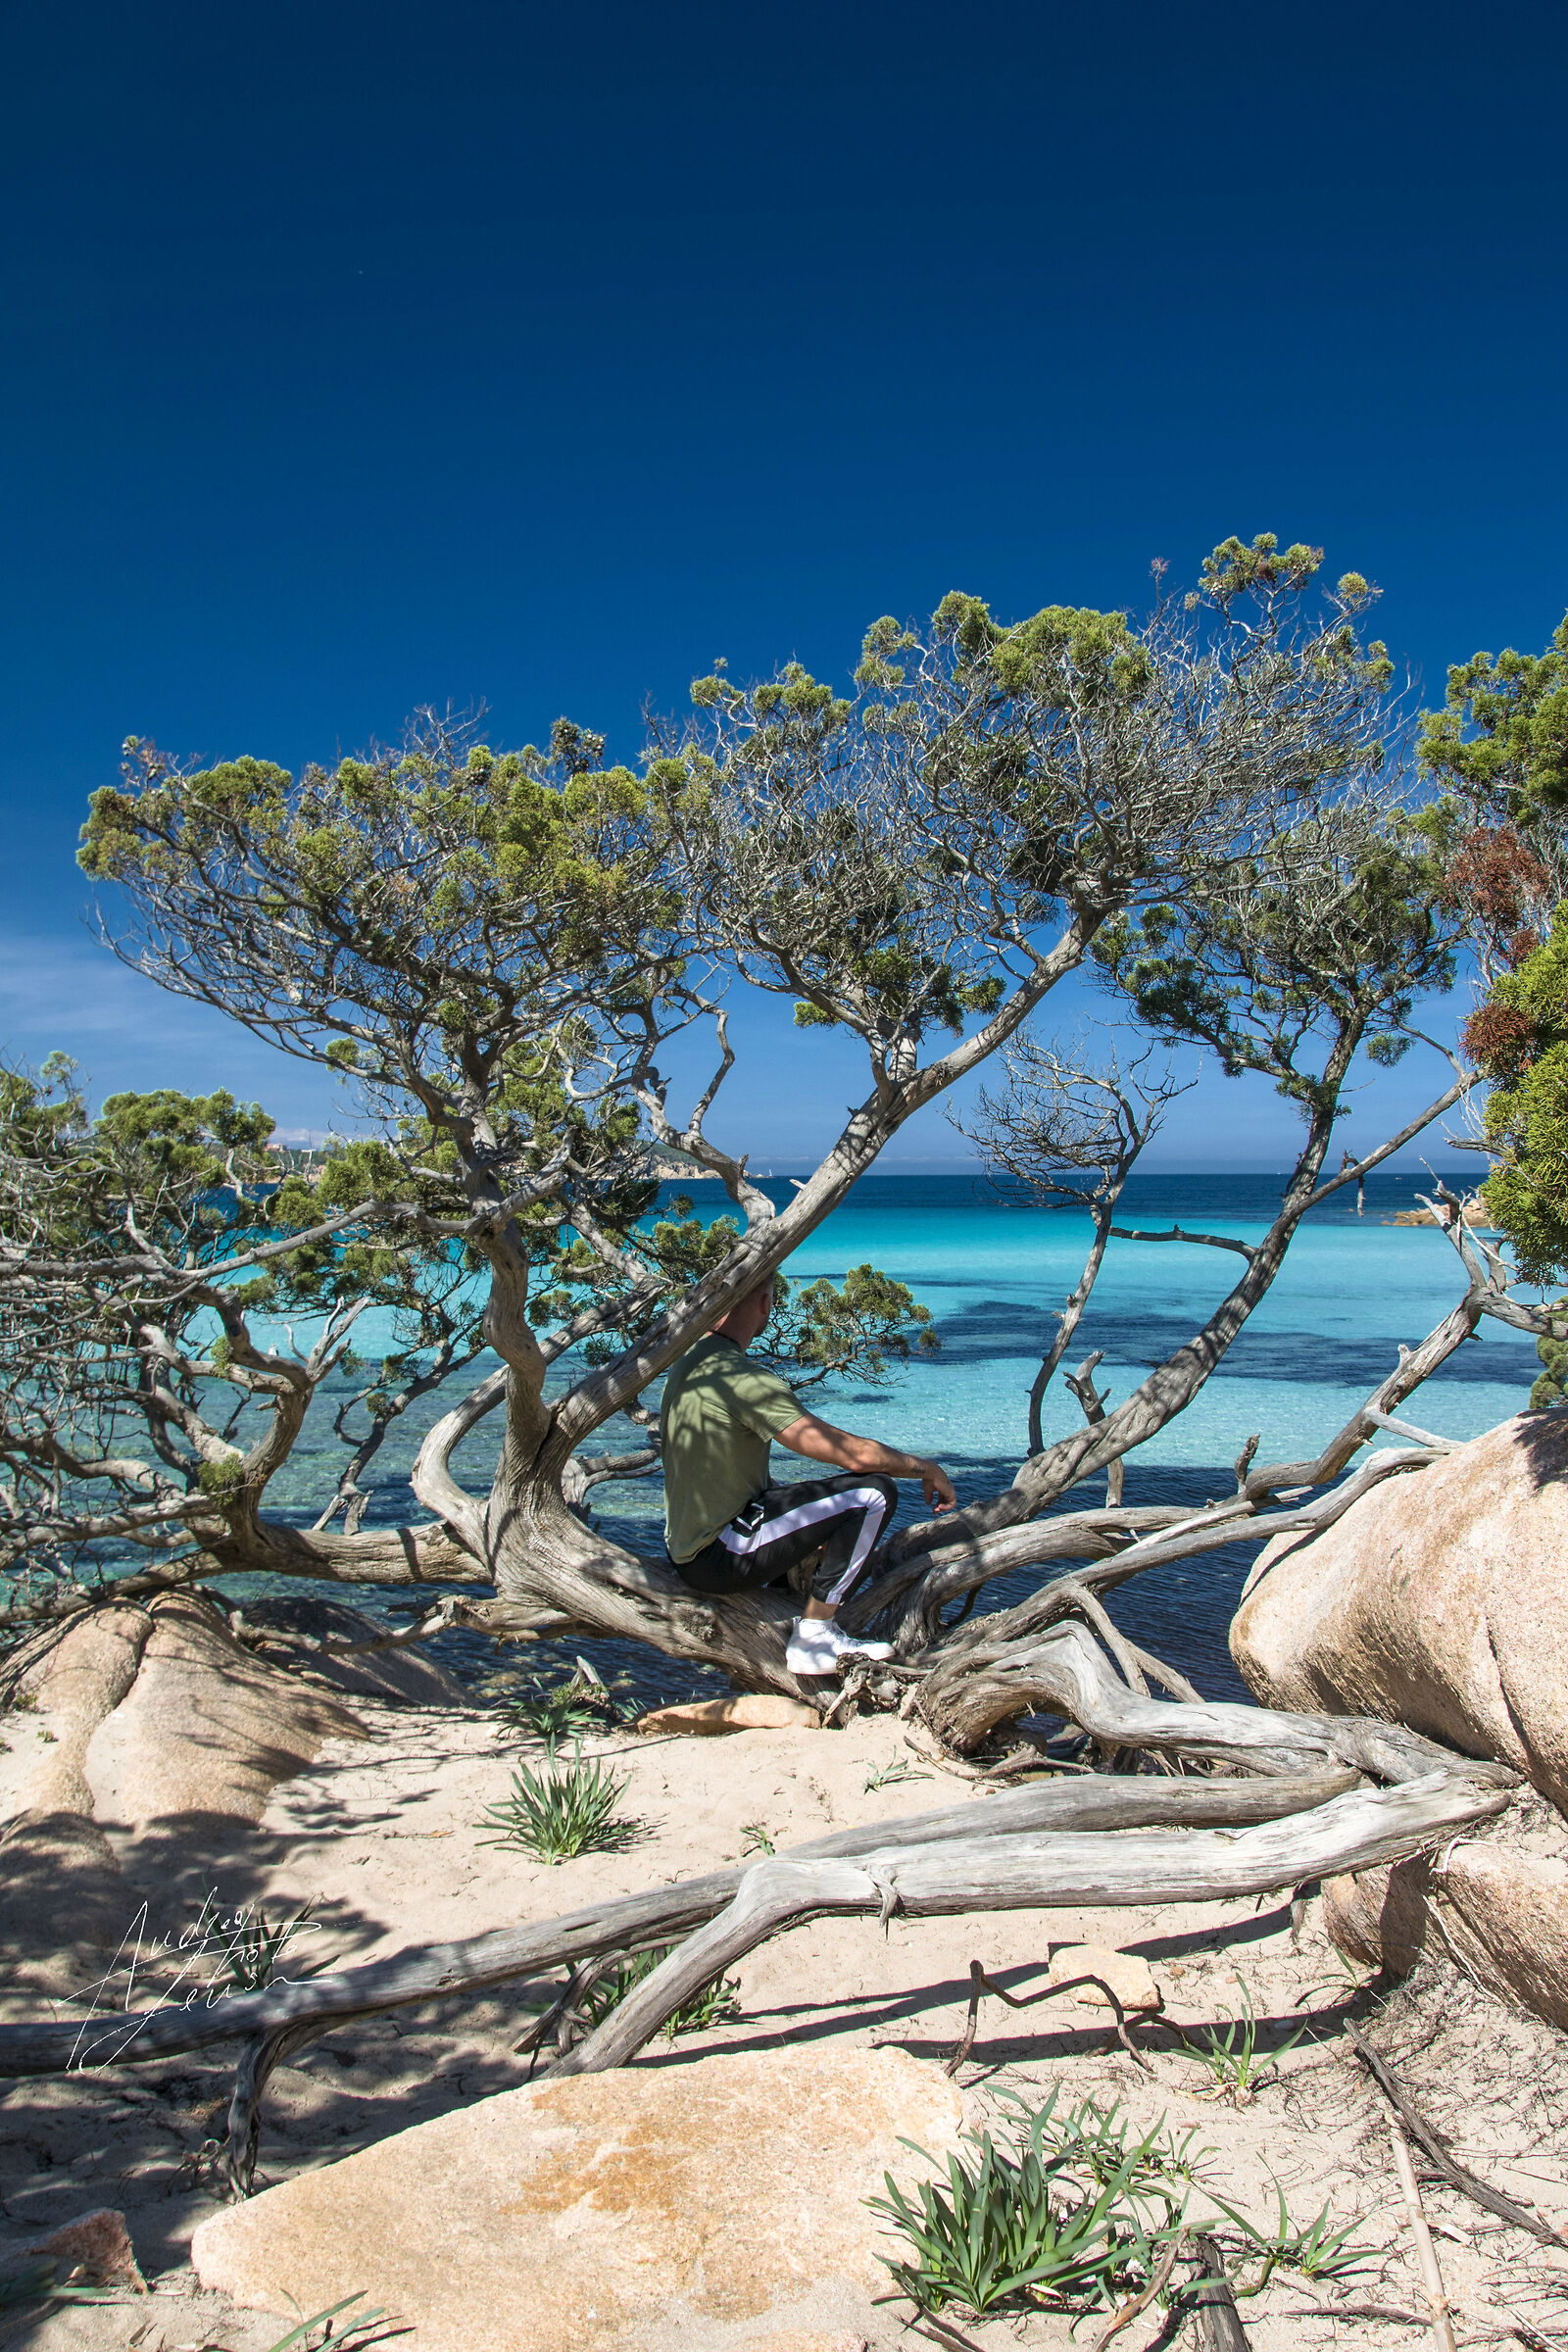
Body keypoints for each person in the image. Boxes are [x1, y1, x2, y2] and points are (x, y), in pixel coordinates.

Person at [660, 1273, 957, 1676]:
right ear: (765, 1304)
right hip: (718, 1557)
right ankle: (816, 1634)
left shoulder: (691, 1360)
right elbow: (852, 1456)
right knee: (873, 1493)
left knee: (807, 1501)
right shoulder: (740, 1378)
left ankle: (790, 1606)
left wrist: (815, 1531)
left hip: (688, 1545)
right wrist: (926, 1467)